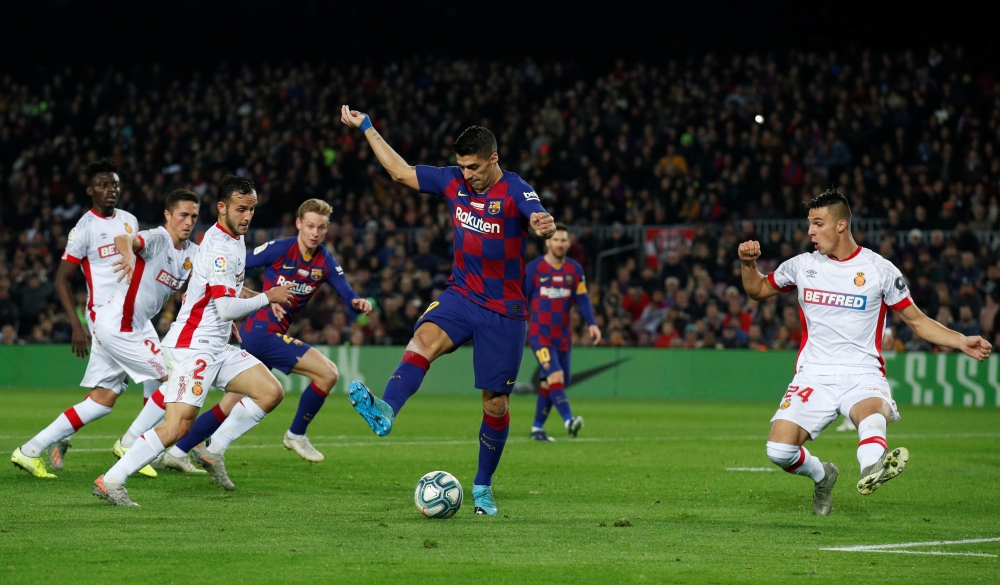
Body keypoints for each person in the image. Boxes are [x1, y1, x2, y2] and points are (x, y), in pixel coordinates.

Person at [339, 106, 555, 515]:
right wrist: (367, 127)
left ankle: (483, 486)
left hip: (504, 311)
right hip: (461, 294)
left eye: (474, 167)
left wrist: (543, 223)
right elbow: (399, 172)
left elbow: (536, 211)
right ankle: (386, 409)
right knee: (422, 339)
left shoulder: (515, 189)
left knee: (495, 405)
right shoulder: (453, 182)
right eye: (462, 167)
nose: (467, 174)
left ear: (493, 159)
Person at [739, 189, 991, 516]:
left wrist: (959, 340)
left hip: (862, 374)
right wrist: (748, 264)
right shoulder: (801, 266)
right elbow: (757, 289)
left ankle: (872, 467)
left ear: (841, 225)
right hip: (813, 375)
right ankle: (823, 474)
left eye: (818, 224)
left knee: (872, 413)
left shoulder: (879, 270)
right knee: (778, 450)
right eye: (809, 224)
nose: (810, 232)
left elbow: (916, 321)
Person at [92, 176, 295, 506]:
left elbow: (220, 296)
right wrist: (268, 297)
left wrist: (248, 303)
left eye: (252, 209)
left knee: (270, 391)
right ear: (221, 208)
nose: (247, 216)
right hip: (192, 347)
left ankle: (214, 450)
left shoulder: (230, 242)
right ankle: (112, 479)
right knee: (176, 428)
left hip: (215, 345)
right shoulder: (218, 248)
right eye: (241, 209)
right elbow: (227, 307)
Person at [163, 198, 372, 466]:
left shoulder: (325, 261)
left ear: (327, 228)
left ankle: (177, 453)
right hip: (261, 332)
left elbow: (347, 294)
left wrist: (357, 303)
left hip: (268, 336)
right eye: (310, 226)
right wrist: (260, 296)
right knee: (328, 373)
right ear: (299, 224)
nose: (314, 233)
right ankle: (295, 434)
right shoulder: (279, 249)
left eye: (320, 228)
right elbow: (235, 266)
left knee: (230, 404)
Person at [12, 189, 199, 479]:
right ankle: (131, 443)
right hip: (120, 326)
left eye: (194, 216)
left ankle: (29, 450)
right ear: (168, 215)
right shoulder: (157, 238)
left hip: (118, 324)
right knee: (175, 380)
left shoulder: (191, 253)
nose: (188, 221)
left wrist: (262, 297)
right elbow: (124, 239)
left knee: (102, 400)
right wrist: (127, 254)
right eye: (183, 215)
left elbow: (216, 280)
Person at [11, 158, 154, 476]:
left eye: (114, 184)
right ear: (90, 190)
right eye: (103, 185)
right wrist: (77, 324)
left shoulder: (130, 220)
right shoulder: (84, 229)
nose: (110, 190)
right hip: (105, 317)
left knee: (105, 398)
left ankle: (36, 447)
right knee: (162, 375)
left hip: (132, 314)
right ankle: (136, 447)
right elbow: (62, 278)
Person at [524, 223, 601, 441]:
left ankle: (537, 429)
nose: (559, 244)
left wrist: (592, 323)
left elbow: (583, 299)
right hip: (540, 335)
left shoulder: (575, 270)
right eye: (555, 240)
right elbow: (521, 299)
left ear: (568, 243)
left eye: (563, 240)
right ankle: (569, 420)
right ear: (547, 242)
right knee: (555, 376)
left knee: (551, 383)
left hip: (563, 337)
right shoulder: (534, 269)